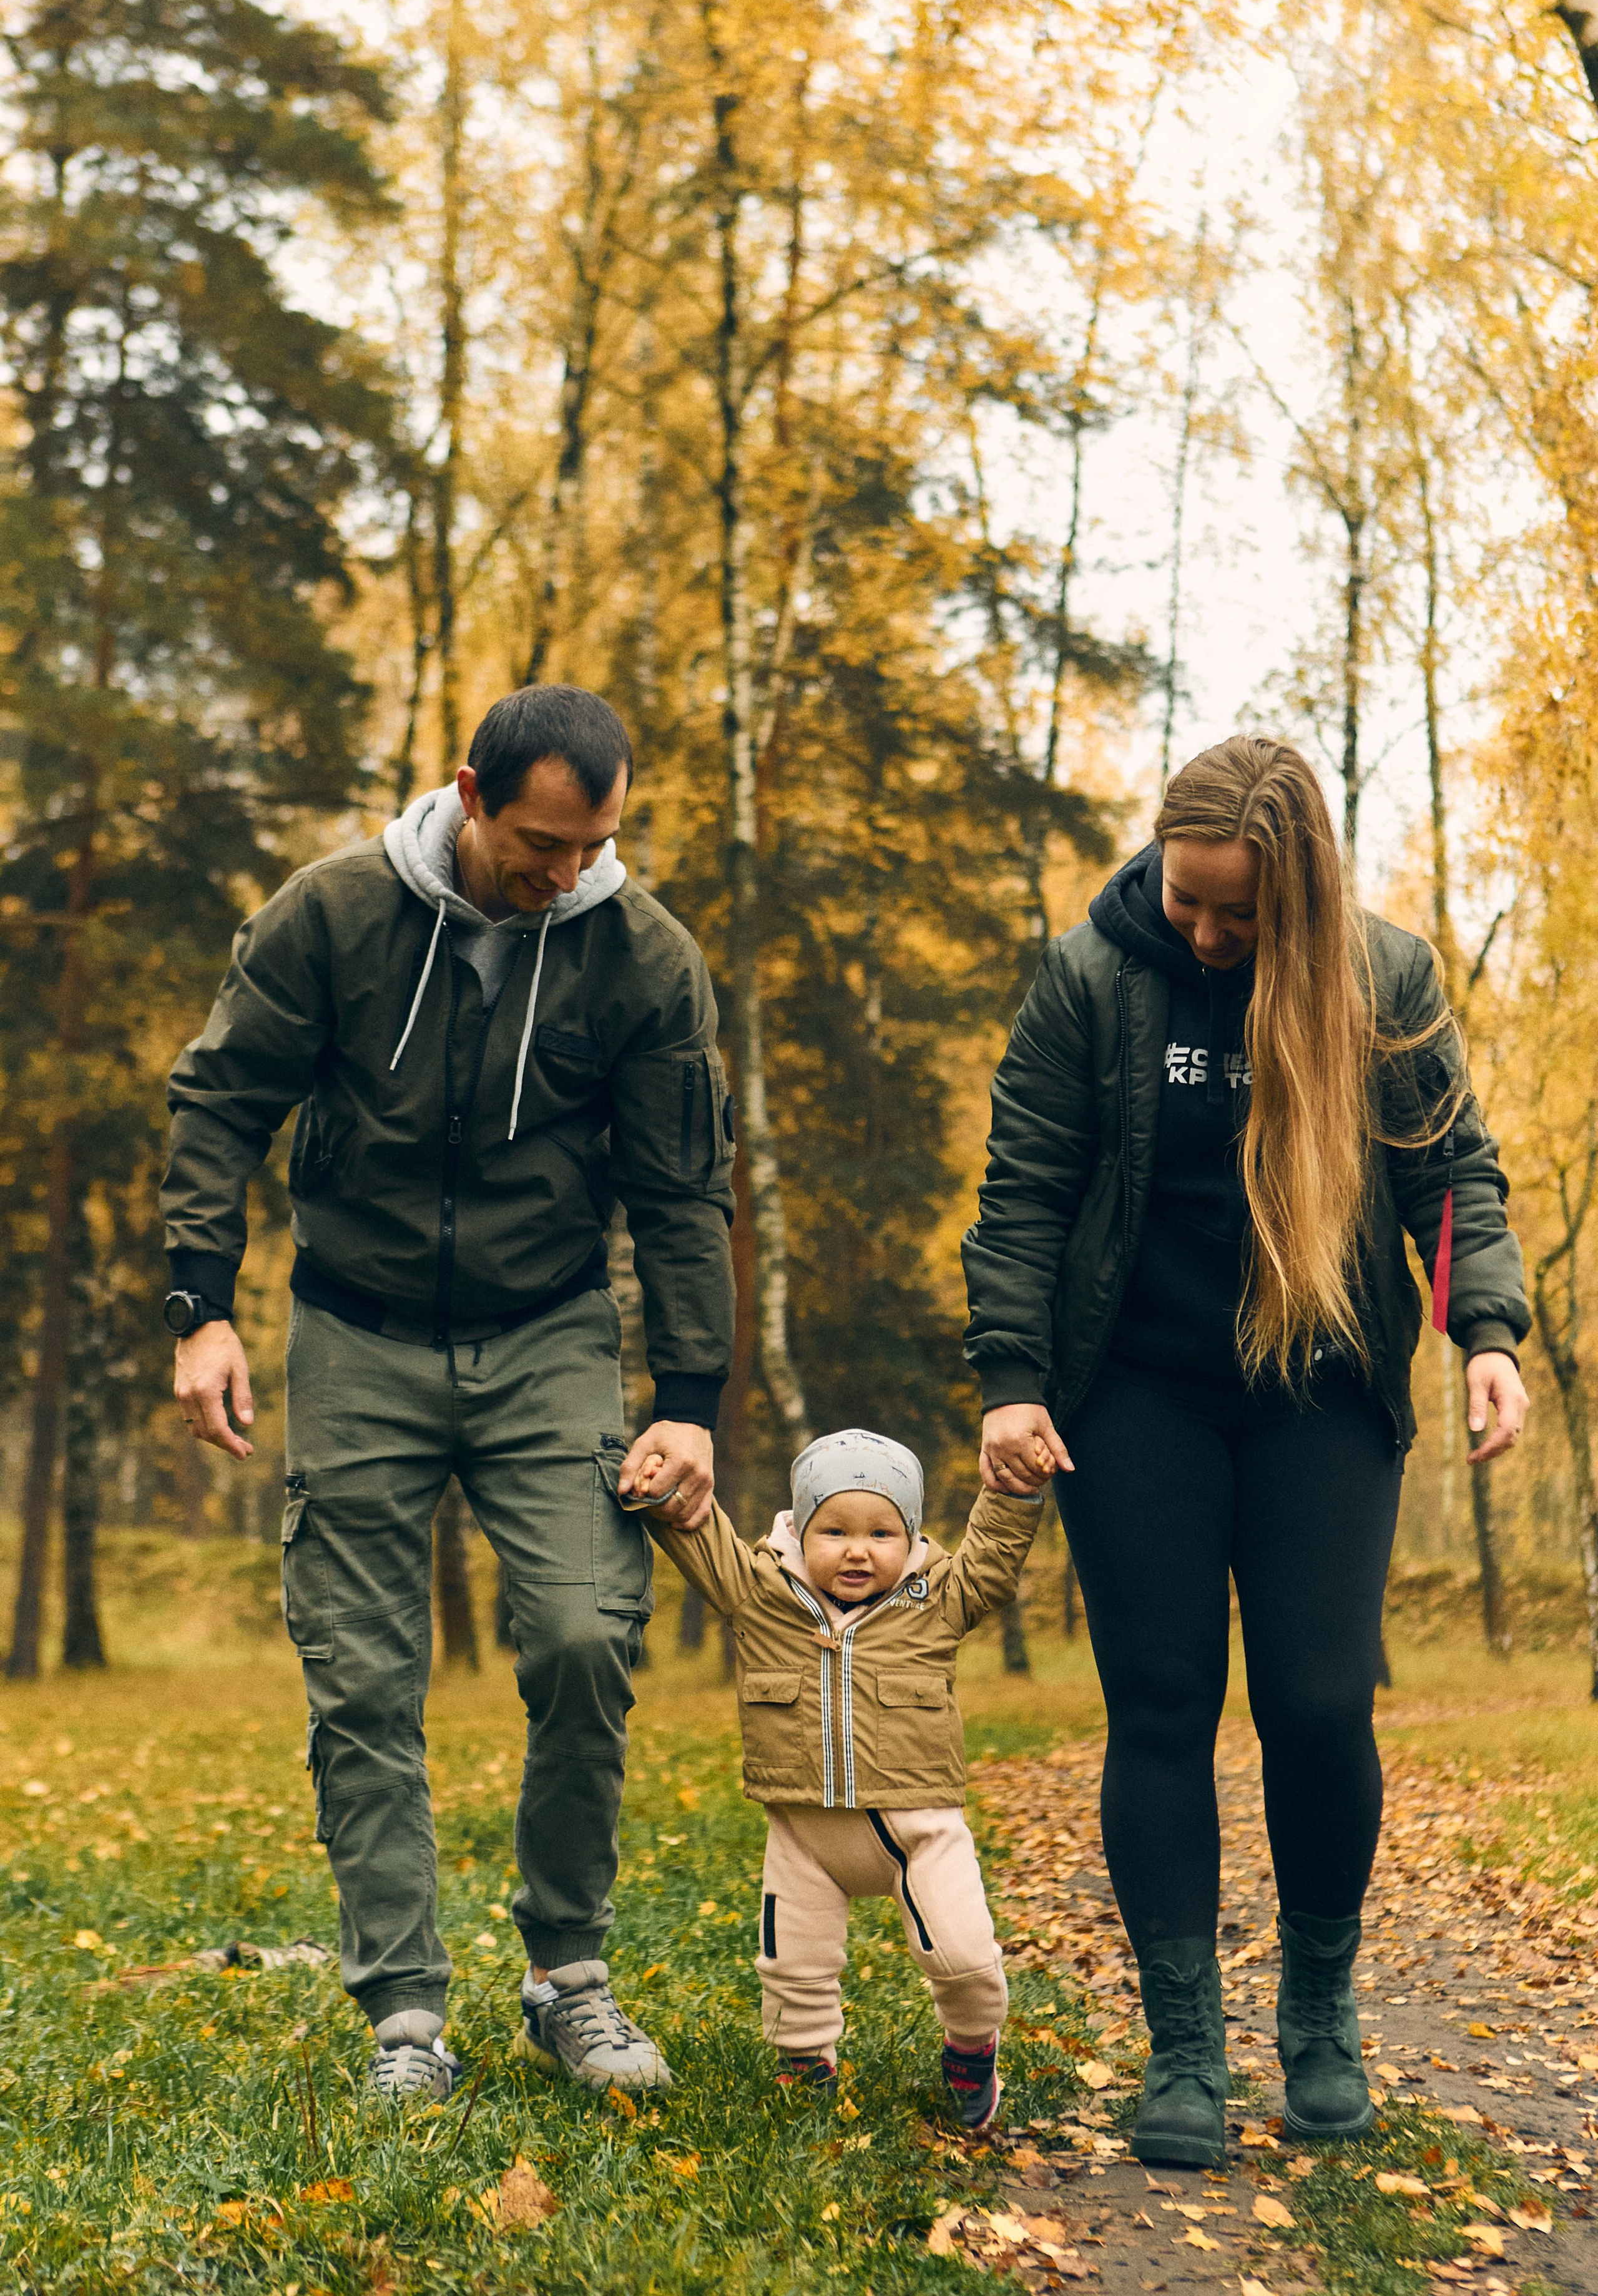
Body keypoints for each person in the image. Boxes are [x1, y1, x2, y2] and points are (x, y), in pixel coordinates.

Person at [961, 734, 1530, 2167]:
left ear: (1299, 900)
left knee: (1319, 1700)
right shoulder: (1089, 978)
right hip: (1137, 1392)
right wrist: (1012, 1382)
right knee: (1159, 1702)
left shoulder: (1375, 980)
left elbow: (1448, 1168)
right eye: (1184, 897)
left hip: (1318, 1388)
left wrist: (1482, 1332)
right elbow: (1023, 1185)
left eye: (1239, 913)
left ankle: (1320, 2013)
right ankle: (1180, 2042)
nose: (1204, 930)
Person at [161, 684, 736, 2100]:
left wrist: (690, 1396)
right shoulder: (334, 915)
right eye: (541, 844)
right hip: (355, 1329)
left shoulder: (641, 955)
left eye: (591, 846)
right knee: (361, 1671)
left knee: (581, 1634)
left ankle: (566, 1975)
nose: (564, 875)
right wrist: (202, 1306)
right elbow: (222, 1098)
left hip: (546, 1331)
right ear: (471, 794)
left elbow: (679, 1186)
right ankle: (404, 2013)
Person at [619, 1426, 1046, 2129]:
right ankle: (804, 2067)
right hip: (804, 1833)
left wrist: (1012, 1489)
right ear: (799, 1527)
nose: (857, 1549)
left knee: (966, 1960)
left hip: (921, 1832)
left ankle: (970, 2048)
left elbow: (994, 1562)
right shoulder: (760, 1589)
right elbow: (700, 1534)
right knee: (792, 1968)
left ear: (910, 1537)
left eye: (882, 1531)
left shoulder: (937, 1596)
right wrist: (663, 1491)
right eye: (835, 1530)